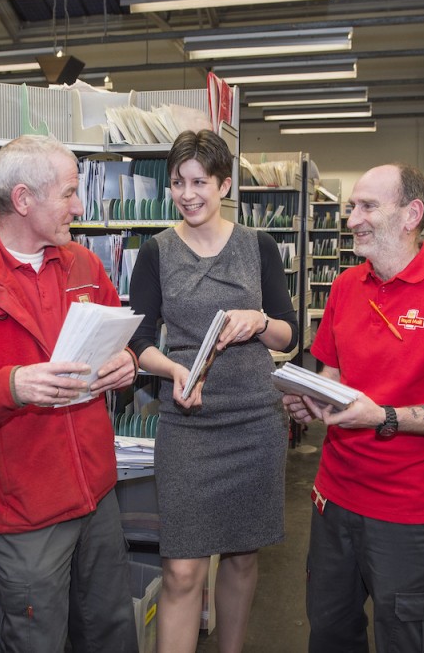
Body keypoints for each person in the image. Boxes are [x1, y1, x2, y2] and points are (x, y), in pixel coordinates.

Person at [0, 135, 139, 653]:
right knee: (37, 641)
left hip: (97, 495)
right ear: (22, 200)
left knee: (109, 633)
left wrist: (124, 364)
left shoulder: (82, 266)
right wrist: (12, 385)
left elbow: (120, 341)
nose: (79, 207)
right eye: (69, 193)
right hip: (24, 513)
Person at [282, 163, 424, 653]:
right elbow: (332, 379)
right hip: (333, 500)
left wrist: (383, 416)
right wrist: (308, 399)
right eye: (351, 206)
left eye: (367, 206)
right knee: (331, 633)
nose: (352, 218)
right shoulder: (343, 287)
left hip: (406, 514)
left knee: (405, 640)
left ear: (411, 214)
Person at [127, 129, 298, 653]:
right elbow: (137, 342)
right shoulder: (156, 251)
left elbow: (291, 335)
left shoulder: (258, 246)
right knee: (181, 568)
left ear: (224, 184)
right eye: (178, 182)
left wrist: (258, 319)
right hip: (188, 425)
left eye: (200, 181)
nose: (188, 193)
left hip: (254, 423)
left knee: (244, 557)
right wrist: (173, 370)